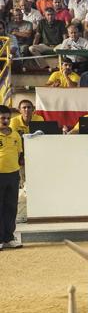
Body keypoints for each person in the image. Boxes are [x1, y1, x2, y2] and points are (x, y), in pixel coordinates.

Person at [0, 105, 23, 249]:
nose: (6, 121)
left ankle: (9, 237)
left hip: (13, 175)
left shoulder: (15, 135)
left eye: (8, 118)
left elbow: (18, 153)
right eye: (2, 118)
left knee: (11, 207)